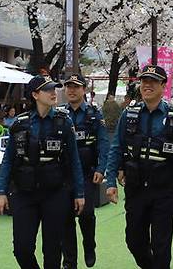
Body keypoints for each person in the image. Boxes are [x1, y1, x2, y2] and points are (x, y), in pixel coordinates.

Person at [106, 65, 173, 269]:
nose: (147, 85)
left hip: (164, 190)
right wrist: (111, 180)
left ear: (163, 86)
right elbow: (116, 148)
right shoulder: (129, 114)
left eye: (153, 81)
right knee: (134, 240)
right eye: (144, 81)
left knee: (161, 245)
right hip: (136, 188)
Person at [0, 75, 85, 269]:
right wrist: (1, 192)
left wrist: (79, 193)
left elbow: (74, 160)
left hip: (55, 192)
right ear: (35, 95)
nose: (54, 93)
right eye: (48, 90)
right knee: (22, 248)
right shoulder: (20, 123)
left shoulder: (64, 122)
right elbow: (8, 159)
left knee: (52, 251)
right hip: (24, 192)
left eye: (54, 89)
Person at [59, 74, 110, 269]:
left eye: (76, 87)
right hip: (64, 175)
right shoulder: (60, 114)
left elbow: (104, 142)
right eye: (68, 87)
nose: (71, 90)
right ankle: (69, 261)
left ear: (84, 90)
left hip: (88, 173)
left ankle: (89, 246)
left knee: (86, 214)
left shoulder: (93, 114)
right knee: (65, 218)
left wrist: (101, 167)